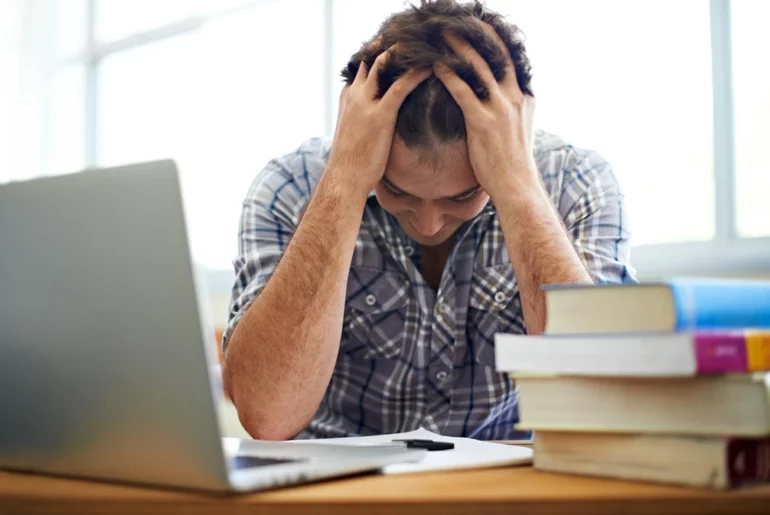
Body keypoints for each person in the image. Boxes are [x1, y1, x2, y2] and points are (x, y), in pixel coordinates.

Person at [221, 0, 635, 441]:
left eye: (462, 196)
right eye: (397, 190)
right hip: (339, 496)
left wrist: (518, 188)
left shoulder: (577, 183)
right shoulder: (289, 186)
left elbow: (599, 397)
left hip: (511, 490)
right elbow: (267, 416)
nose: (429, 222)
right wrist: (344, 180)